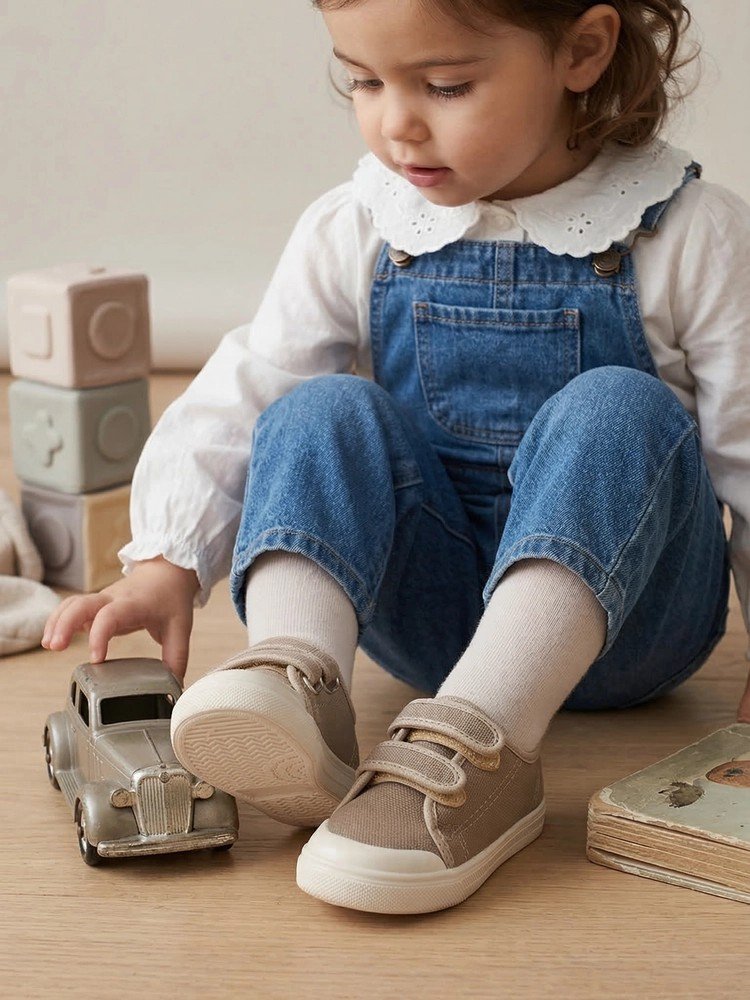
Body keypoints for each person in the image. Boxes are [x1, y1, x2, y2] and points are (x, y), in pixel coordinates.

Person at [42, 0, 750, 914]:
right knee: (318, 404)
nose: (395, 123)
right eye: (364, 80)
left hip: (631, 631)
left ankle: (486, 745)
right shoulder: (360, 222)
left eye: (445, 85)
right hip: (426, 623)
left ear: (582, 50)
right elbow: (241, 390)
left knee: (617, 407)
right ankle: (299, 672)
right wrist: (167, 555)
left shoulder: (688, 232)